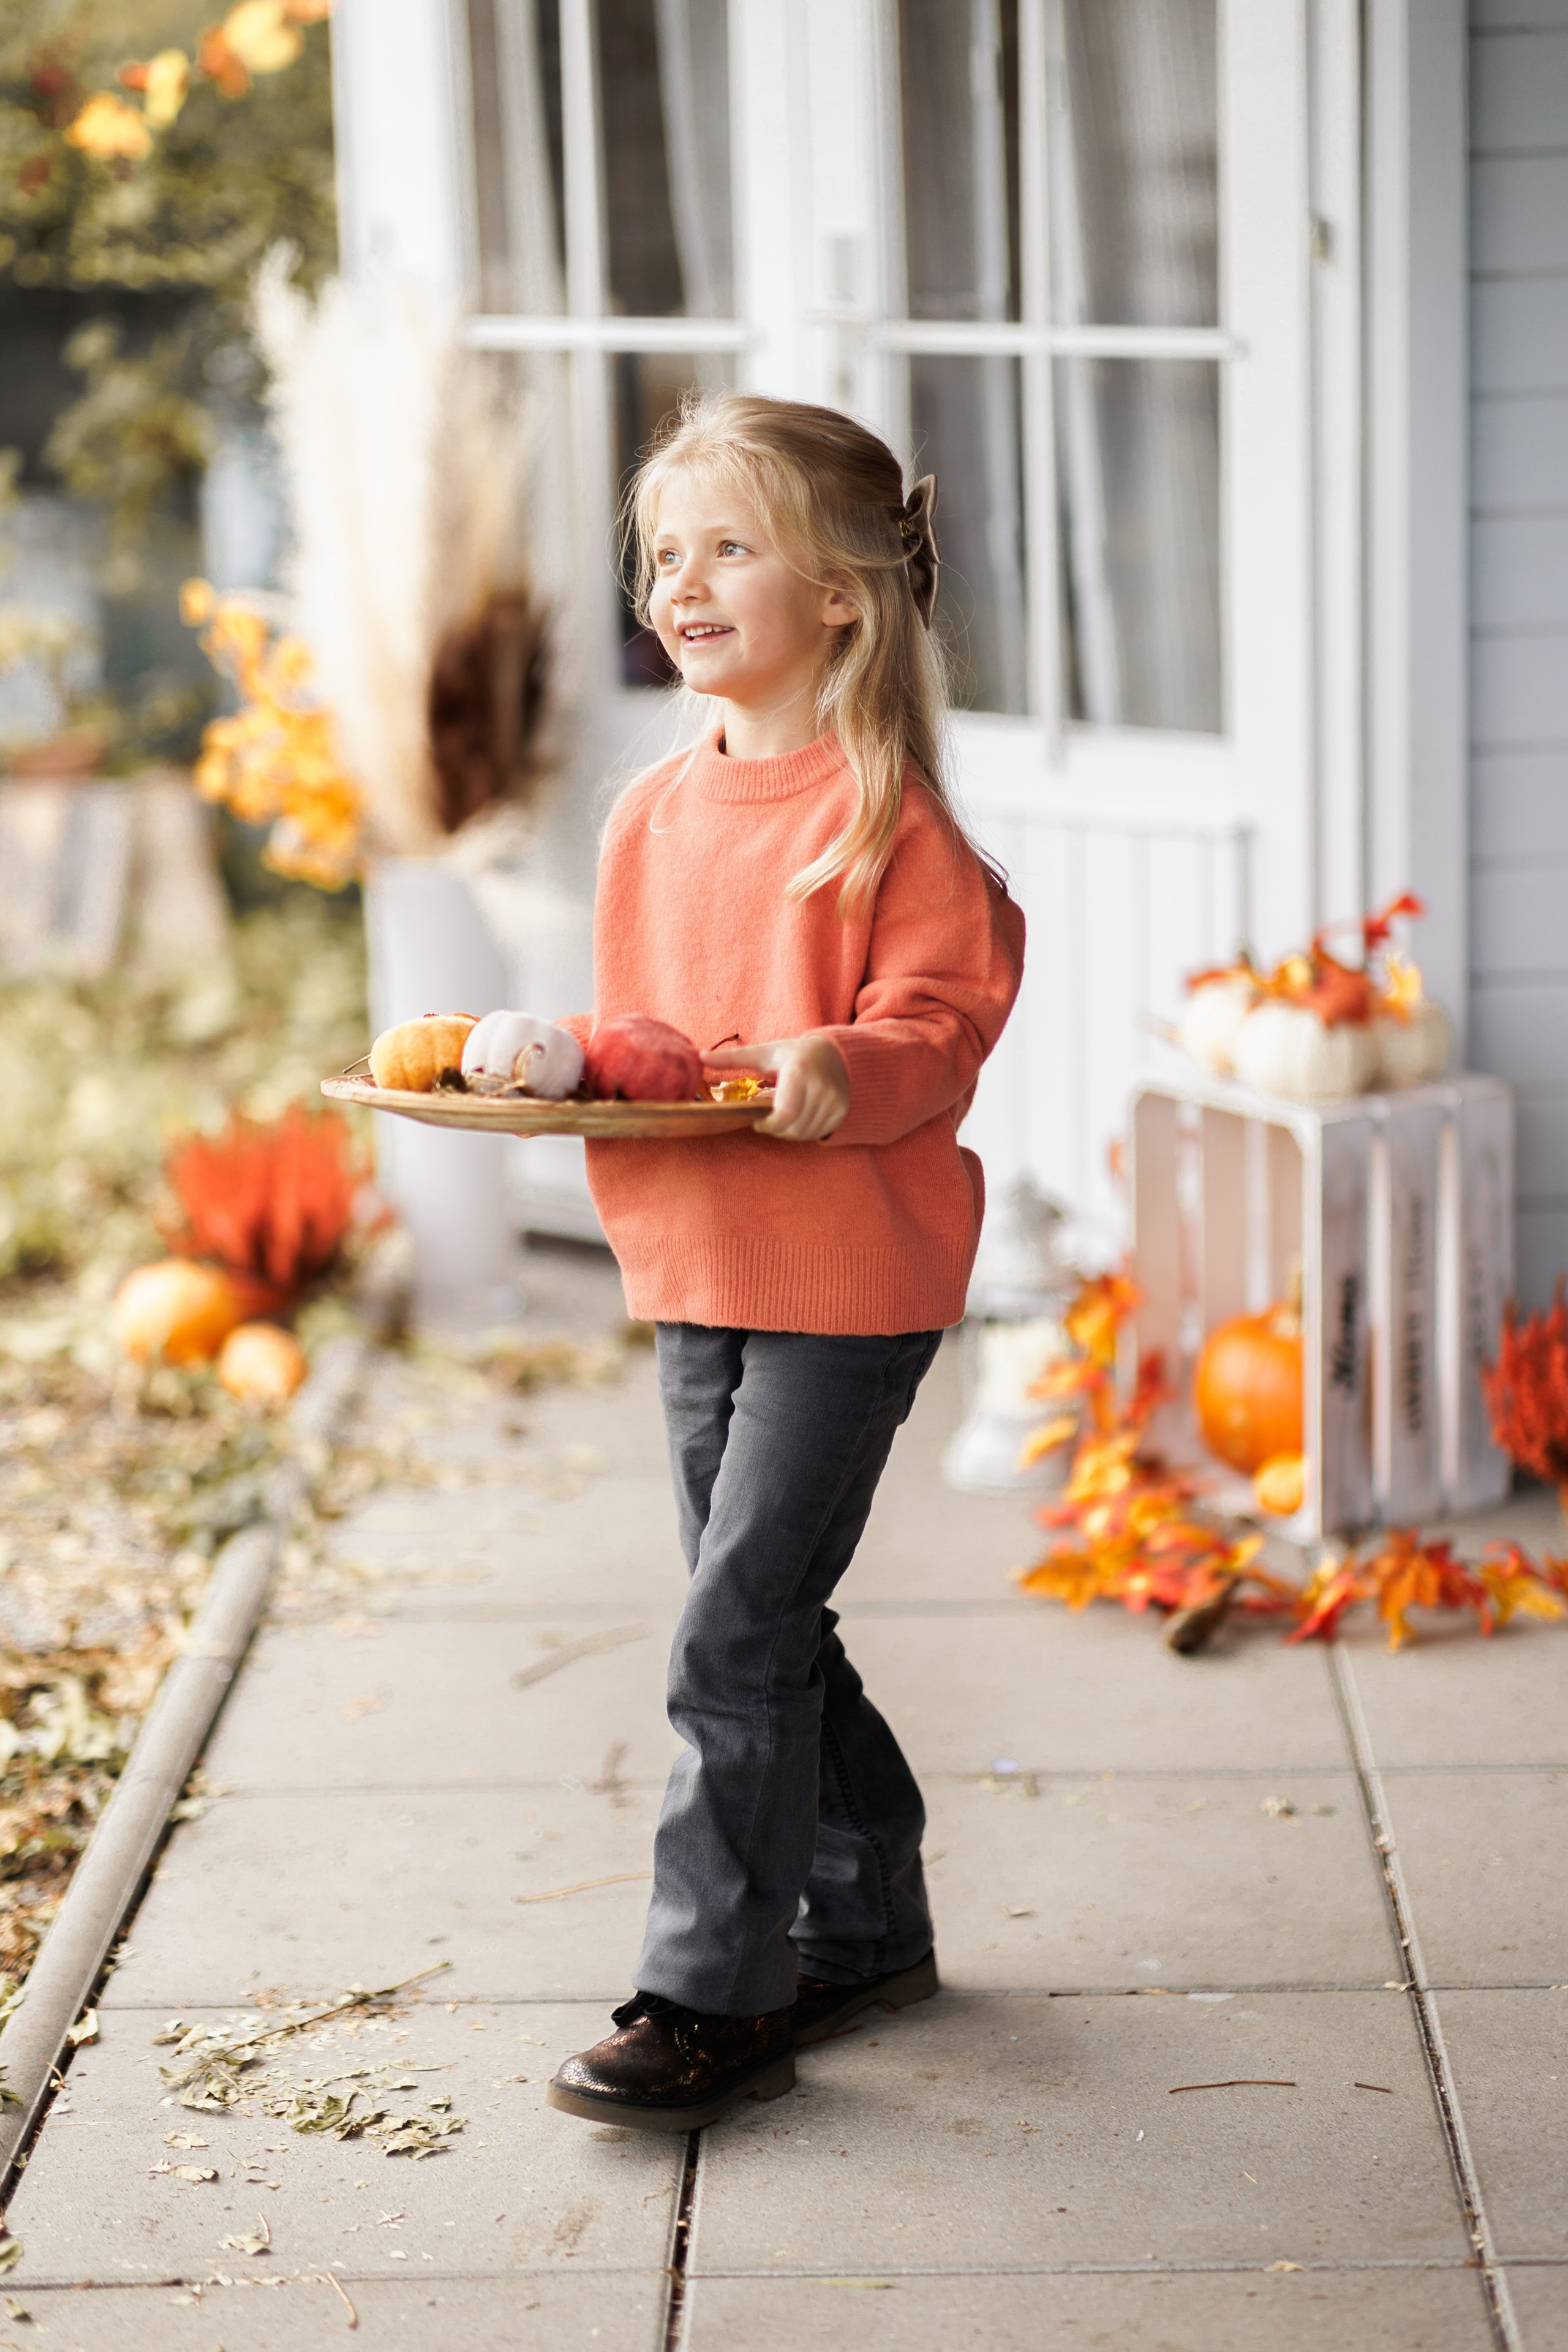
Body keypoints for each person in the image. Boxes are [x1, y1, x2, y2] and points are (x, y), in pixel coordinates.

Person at [545, 393, 1025, 2132]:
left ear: (839, 595)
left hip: (848, 1280)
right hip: (695, 1263)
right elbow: (644, 1039)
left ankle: (710, 1995)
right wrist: (556, 1068)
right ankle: (873, 1919)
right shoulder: (651, 815)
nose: (683, 579)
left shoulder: (895, 823)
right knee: (764, 1626)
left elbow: (942, 1023)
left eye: (729, 545)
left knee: (730, 1637)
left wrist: (853, 1061)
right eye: (665, 551)